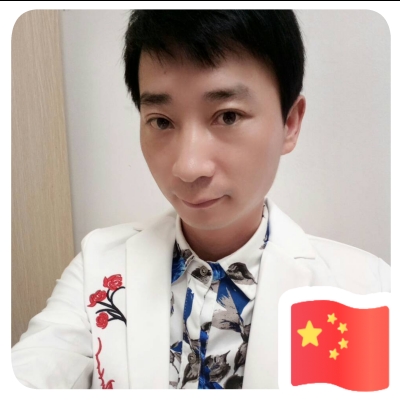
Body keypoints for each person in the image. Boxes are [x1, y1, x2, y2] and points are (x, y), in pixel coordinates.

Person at [12, 10, 390, 389]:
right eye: (161, 121)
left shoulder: (366, 291)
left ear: (290, 122)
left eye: (228, 116)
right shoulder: (98, 269)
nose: (188, 167)